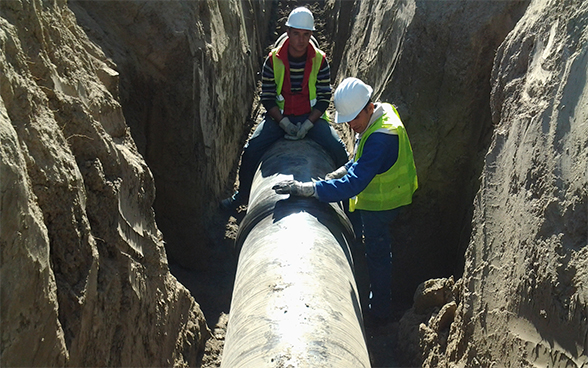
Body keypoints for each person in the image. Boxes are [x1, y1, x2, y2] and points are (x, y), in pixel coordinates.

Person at [272, 77, 418, 322]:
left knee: (377, 253)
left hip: (382, 204)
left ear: (369, 107)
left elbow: (354, 184)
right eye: (347, 121)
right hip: (380, 196)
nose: (351, 126)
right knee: (368, 245)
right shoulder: (379, 116)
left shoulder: (382, 137)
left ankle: (379, 312)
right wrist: (345, 167)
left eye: (354, 119)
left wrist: (310, 188)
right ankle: (363, 274)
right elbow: (361, 158)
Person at [222, 7, 349, 208]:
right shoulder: (273, 60)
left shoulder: (320, 60)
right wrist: (284, 123)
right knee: (251, 151)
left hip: (311, 118)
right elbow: (267, 97)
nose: (301, 40)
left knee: (339, 151)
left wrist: (308, 123)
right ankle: (243, 195)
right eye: (296, 33)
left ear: (311, 35)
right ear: (288, 32)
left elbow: (324, 97)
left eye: (306, 34)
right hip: (279, 119)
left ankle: (349, 204)